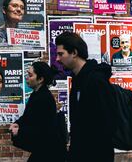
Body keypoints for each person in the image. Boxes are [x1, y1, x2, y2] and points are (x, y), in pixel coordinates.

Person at [55, 31, 116, 162]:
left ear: (74, 53)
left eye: (61, 54)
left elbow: (106, 124)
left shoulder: (96, 80)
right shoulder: (78, 80)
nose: (57, 59)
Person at [9, 61, 65, 162]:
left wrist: (19, 131)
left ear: (40, 79)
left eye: (30, 75)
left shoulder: (44, 98)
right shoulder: (36, 94)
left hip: (50, 152)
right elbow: (28, 117)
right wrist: (17, 124)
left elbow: (42, 128)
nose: (27, 78)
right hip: (44, 149)